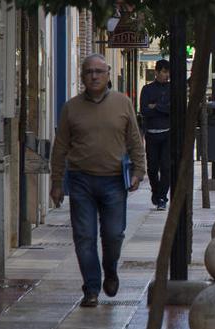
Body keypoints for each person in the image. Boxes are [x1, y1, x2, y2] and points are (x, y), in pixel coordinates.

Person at [50, 54, 146, 308]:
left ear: (108, 74)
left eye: (99, 71)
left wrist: (139, 171)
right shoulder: (71, 108)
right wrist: (57, 181)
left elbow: (135, 140)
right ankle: (91, 288)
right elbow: (60, 148)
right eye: (89, 72)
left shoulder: (122, 103)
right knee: (84, 237)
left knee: (114, 234)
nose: (94, 76)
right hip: (81, 181)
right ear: (82, 77)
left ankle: (110, 270)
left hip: (114, 181)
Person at [140, 59, 171, 210]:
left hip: (167, 134)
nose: (167, 75)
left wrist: (156, 106)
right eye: (164, 72)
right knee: (152, 168)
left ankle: (162, 198)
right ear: (156, 72)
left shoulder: (172, 89)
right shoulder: (147, 89)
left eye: (168, 72)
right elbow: (144, 111)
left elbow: (173, 109)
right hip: (151, 134)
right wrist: (162, 108)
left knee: (166, 168)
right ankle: (155, 191)